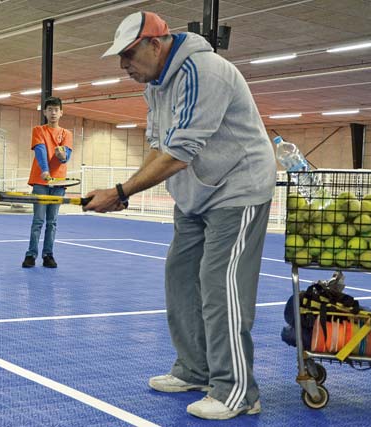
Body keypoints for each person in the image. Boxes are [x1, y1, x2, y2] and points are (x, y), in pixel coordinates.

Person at [85, 11, 277, 420]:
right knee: (180, 278)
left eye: (129, 55)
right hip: (196, 195)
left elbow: (180, 150)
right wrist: (124, 194)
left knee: (220, 285)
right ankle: (195, 369)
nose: (123, 67)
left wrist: (120, 190)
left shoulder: (203, 71)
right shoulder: (155, 85)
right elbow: (159, 146)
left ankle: (237, 391)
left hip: (237, 190)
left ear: (156, 44)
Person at [22, 96, 73, 268]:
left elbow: (66, 156)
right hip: (40, 182)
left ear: (61, 113)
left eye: (56, 110)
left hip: (58, 184)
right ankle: (31, 254)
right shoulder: (39, 130)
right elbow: (40, 150)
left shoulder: (67, 134)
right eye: (50, 109)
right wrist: (44, 170)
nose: (53, 113)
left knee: (52, 222)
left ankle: (48, 255)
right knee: (38, 220)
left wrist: (62, 156)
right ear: (44, 112)